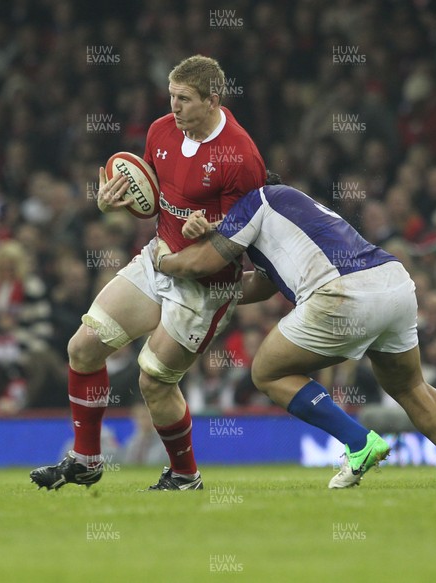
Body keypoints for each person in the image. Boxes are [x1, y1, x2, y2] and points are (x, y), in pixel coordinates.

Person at [152, 175, 436, 488]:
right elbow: (263, 285)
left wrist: (162, 261)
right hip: (393, 282)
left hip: (344, 294)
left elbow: (202, 263)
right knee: (410, 385)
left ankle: (358, 442)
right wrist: (212, 288)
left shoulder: (253, 200)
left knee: (267, 372)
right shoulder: (292, 210)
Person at [30, 55, 266, 491]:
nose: (173, 107)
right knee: (83, 347)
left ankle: (184, 475)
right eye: (171, 96)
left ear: (213, 100)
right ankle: (86, 459)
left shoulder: (242, 156)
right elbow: (154, 197)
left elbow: (248, 236)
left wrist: (212, 227)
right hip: (158, 258)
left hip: (207, 285)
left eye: (184, 99)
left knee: (153, 378)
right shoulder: (160, 131)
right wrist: (112, 202)